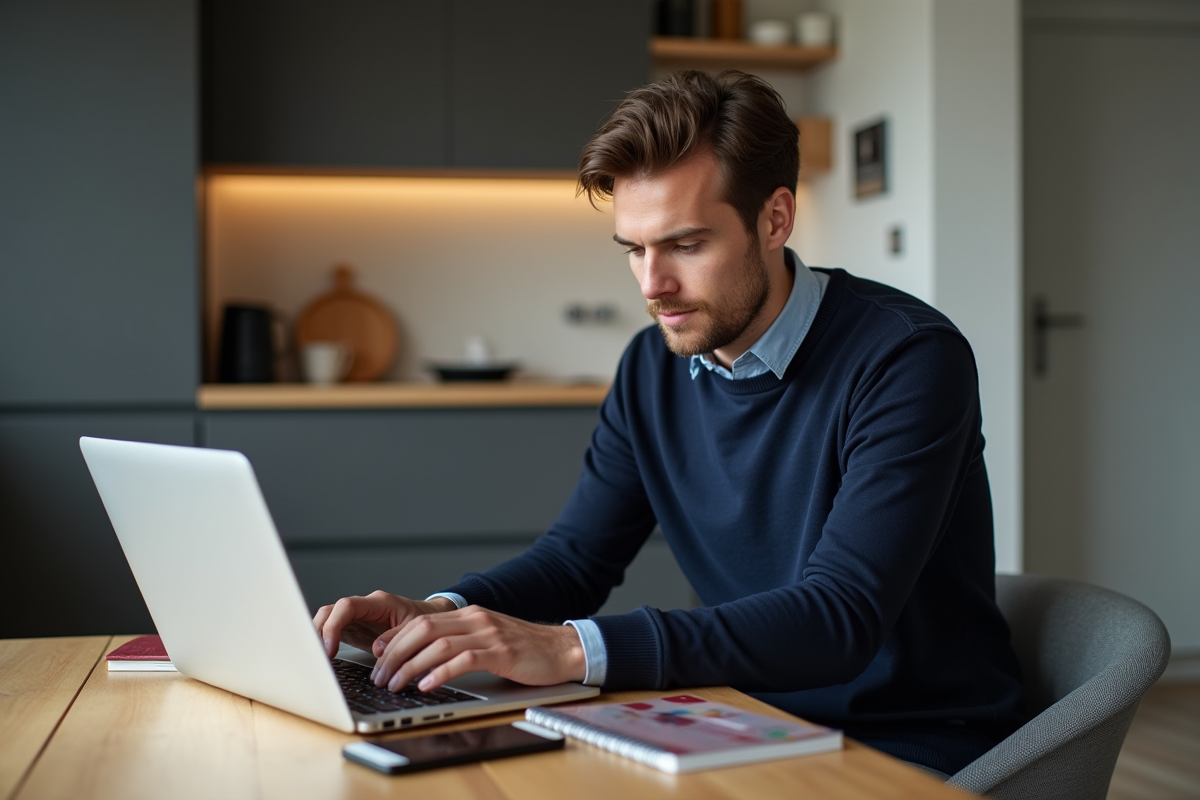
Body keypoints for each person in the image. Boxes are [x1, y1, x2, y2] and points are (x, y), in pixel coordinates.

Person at [314, 70, 1024, 776]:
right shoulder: (650, 367)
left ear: (775, 219)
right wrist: (442, 612)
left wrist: (569, 650)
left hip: (907, 743)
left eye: (685, 245)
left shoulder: (908, 359)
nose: (653, 286)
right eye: (634, 250)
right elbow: (577, 559)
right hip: (743, 721)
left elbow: (839, 617)